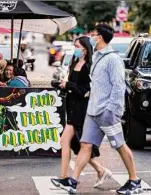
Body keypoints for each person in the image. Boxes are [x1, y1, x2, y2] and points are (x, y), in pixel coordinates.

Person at [60, 24, 141, 194]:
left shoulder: (113, 59)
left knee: (120, 145)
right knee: (85, 145)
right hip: (92, 110)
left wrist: (112, 110)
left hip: (107, 111)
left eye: (93, 34)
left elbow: (119, 87)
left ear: (100, 37)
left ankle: (134, 180)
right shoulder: (96, 56)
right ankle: (73, 181)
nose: (91, 36)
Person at [50, 36, 112, 189]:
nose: (75, 48)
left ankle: (65, 177)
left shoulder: (89, 66)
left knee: (69, 142)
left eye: (77, 46)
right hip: (72, 107)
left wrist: (69, 85)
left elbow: (86, 91)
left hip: (82, 109)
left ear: (84, 48)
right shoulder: (74, 62)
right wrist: (62, 85)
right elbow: (73, 86)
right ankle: (100, 170)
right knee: (77, 146)